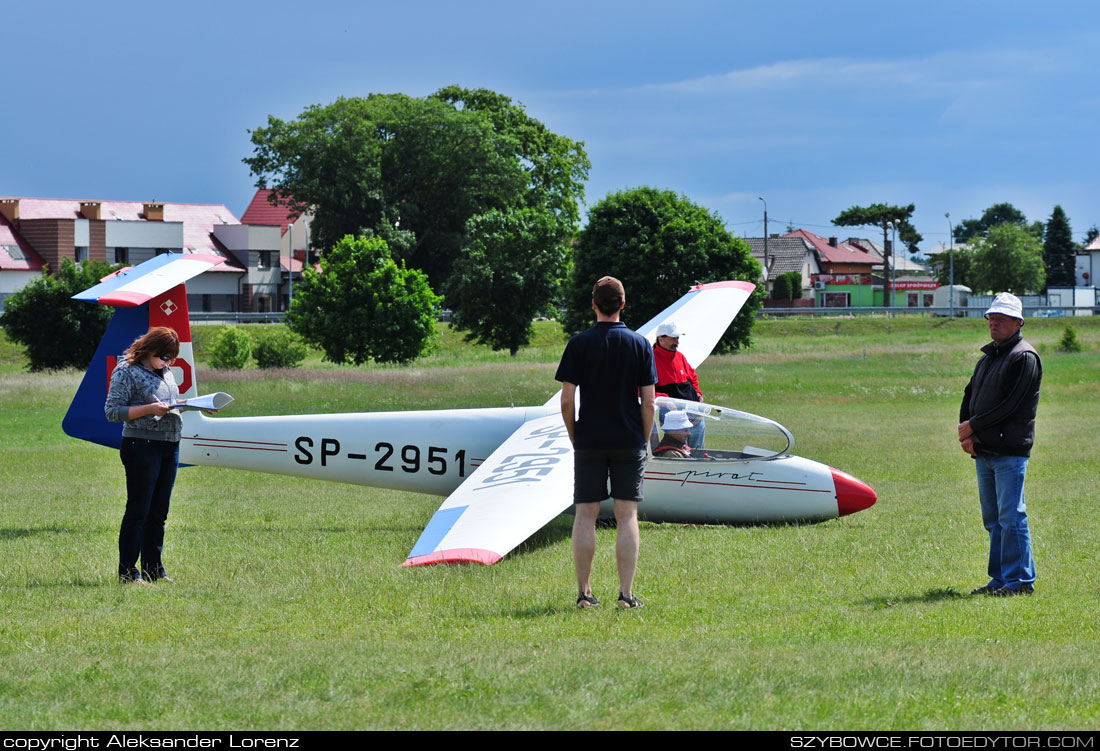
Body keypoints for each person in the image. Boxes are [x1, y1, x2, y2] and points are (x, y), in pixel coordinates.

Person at [556, 277, 657, 610]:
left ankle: (584, 594)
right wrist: (642, 440)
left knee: (586, 514)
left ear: (594, 304)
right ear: (623, 304)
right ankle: (626, 596)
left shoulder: (579, 344)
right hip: (628, 439)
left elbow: (567, 401)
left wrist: (575, 436)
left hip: (590, 440)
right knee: (627, 515)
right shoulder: (640, 344)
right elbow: (649, 403)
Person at [958, 292, 1042, 597]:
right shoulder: (988, 357)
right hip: (984, 449)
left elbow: (1010, 405)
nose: (994, 322)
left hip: (1010, 450)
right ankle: (1001, 578)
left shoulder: (1024, 357)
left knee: (1011, 516)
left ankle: (1020, 581)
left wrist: (972, 426)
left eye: (1001, 318)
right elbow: (970, 395)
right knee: (993, 519)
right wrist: (967, 432)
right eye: (991, 317)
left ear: (1018, 322)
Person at [104, 326, 183, 584]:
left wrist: (186, 407)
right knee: (139, 510)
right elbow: (113, 411)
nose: (167, 362)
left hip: (169, 445)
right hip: (142, 445)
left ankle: (153, 569)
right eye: (163, 357)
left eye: (171, 358)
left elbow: (168, 404)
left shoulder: (165, 371)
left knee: (159, 512)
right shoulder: (126, 371)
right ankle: (128, 572)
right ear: (149, 350)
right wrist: (149, 409)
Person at [653, 322, 705, 449]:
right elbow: (644, 390)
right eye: (673, 338)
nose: (677, 342)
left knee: (698, 452)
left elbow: (693, 377)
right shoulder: (651, 359)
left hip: (695, 413)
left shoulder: (680, 356)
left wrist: (698, 393)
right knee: (681, 453)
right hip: (674, 418)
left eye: (677, 338)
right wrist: (664, 400)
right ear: (661, 339)